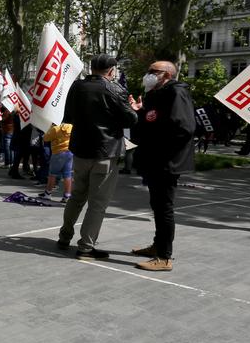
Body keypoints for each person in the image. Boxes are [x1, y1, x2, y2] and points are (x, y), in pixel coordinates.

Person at [57, 54, 137, 259]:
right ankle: (86, 247)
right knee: (97, 203)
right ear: (111, 71)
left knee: (76, 197)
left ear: (92, 68)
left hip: (80, 151)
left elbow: (68, 117)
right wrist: (135, 109)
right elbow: (130, 119)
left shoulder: (76, 87)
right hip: (105, 152)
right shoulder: (115, 88)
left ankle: (64, 237)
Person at [128, 60, 196, 272]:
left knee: (164, 208)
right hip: (154, 160)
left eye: (153, 71)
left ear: (166, 75)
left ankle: (164, 257)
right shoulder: (154, 94)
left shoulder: (176, 93)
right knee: (157, 206)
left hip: (166, 161)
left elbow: (183, 128)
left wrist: (160, 147)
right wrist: (138, 113)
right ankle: (157, 246)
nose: (148, 74)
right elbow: (148, 125)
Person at [40, 123, 74, 202]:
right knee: (68, 175)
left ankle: (48, 193)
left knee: (53, 174)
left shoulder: (55, 128)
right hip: (69, 152)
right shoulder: (71, 127)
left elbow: (45, 138)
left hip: (58, 153)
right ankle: (67, 196)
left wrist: (48, 129)